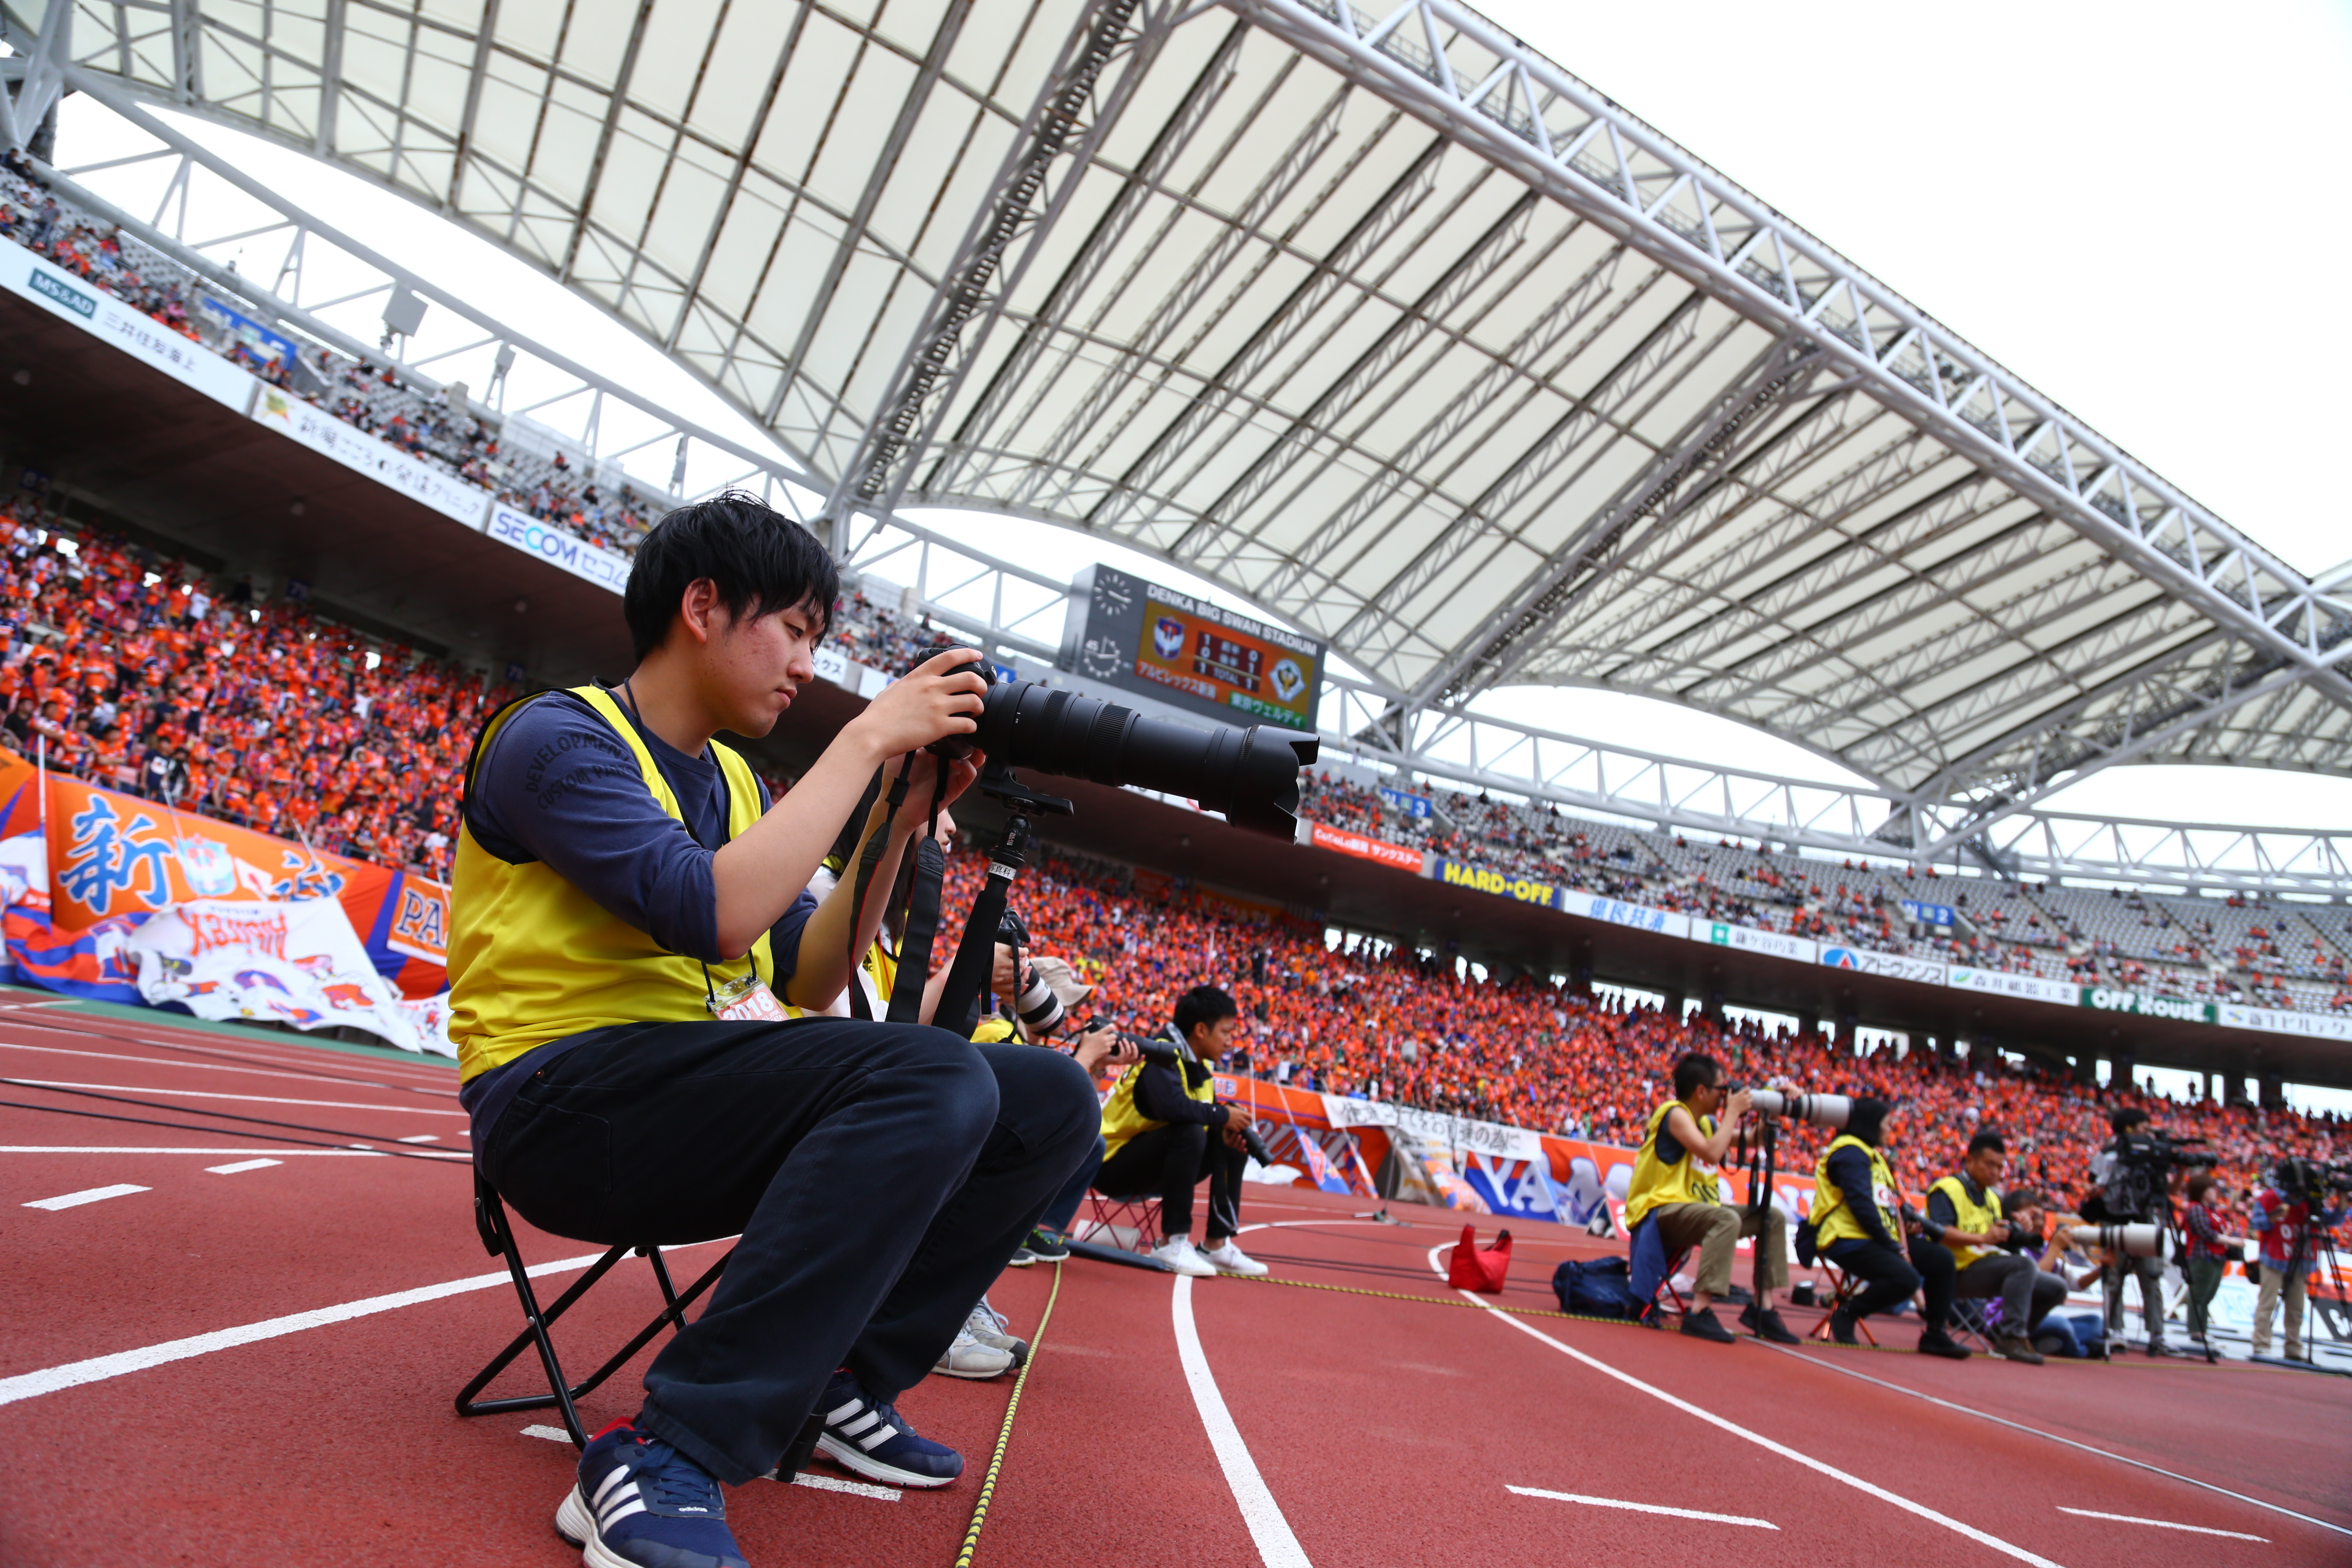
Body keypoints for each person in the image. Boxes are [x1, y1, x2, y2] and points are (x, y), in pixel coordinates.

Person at [447, 495, 1100, 1568]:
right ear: (703, 607)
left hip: (683, 1098)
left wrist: (890, 826)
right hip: (561, 1107)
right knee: (929, 1078)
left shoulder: (744, 785)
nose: (806, 663)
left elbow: (807, 976)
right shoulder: (555, 739)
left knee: (1048, 1102)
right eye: (794, 630)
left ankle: (841, 1383)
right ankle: (664, 1450)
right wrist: (863, 743)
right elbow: (709, 909)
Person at [1093, 983, 1269, 1277]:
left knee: (1231, 1137)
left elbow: (1205, 1116)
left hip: (1151, 1165)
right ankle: (1171, 1242)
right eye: (1226, 1032)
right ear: (1201, 1030)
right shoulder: (1159, 1055)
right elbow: (1172, 1108)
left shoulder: (1200, 1069)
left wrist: (1227, 1124)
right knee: (1191, 1130)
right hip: (1109, 1166)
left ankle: (1217, 1244)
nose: (1230, 1042)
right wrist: (1223, 1114)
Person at [1621, 1051, 1796, 1343]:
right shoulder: (1673, 1113)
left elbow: (1753, 1140)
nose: (1725, 1095)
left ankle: (1762, 1308)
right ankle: (1700, 1311)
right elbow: (1712, 1153)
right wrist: (1732, 1113)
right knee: (1725, 1218)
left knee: (1771, 1217)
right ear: (1702, 1091)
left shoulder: (1706, 1124)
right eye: (1721, 1089)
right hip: (1661, 1211)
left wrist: (1774, 1109)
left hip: (1696, 1211)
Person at [1812, 1098, 1963, 1356]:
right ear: (1870, 1123)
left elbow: (1885, 1205)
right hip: (1846, 1238)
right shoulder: (1849, 1153)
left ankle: (1935, 1334)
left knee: (1942, 1259)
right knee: (1906, 1278)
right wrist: (1891, 1244)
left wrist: (1905, 1224)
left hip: (1874, 1237)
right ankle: (1849, 1312)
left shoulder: (1874, 1157)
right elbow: (1861, 1206)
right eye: (1886, 1124)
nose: (1889, 1130)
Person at [1926, 1131, 2068, 1363]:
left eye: (2000, 1167)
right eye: (1989, 1165)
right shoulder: (1947, 1189)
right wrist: (1984, 1237)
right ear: (1970, 1160)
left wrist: (2020, 1228)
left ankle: (2003, 1332)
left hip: (1987, 1267)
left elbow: (2001, 1241)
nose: (1996, 1172)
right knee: (2023, 1266)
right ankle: (2012, 1337)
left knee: (2057, 1287)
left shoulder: (1992, 1198)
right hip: (1954, 1271)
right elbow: (1940, 1233)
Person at [2086, 1108, 2174, 1355]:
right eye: (2145, 1128)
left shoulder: (2153, 1155)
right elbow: (2094, 1182)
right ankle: (2116, 1331)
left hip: (2146, 1221)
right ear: (2129, 1128)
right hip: (2114, 1221)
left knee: (2152, 1277)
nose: (2149, 1133)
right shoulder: (2108, 1153)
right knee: (2113, 1276)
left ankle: (2158, 1335)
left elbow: (2166, 1191)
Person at [2250, 1158, 2346, 1363]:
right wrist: (2276, 1215)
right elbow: (2257, 1223)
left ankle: (2294, 1348)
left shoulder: (2309, 1202)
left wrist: (2343, 1199)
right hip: (2273, 1257)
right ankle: (2261, 1344)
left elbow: (2333, 1220)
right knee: (2267, 1303)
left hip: (2300, 1259)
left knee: (2297, 1308)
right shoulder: (2269, 1198)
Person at [2180, 1174, 2233, 1351]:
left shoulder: (2212, 1211)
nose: (2215, 1192)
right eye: (2211, 1189)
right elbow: (2205, 1232)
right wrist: (2231, 1241)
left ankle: (2201, 1329)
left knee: (2207, 1295)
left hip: (2217, 1257)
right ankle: (2196, 1330)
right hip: (2203, 1256)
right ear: (2202, 1192)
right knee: (2199, 1294)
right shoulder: (2195, 1209)